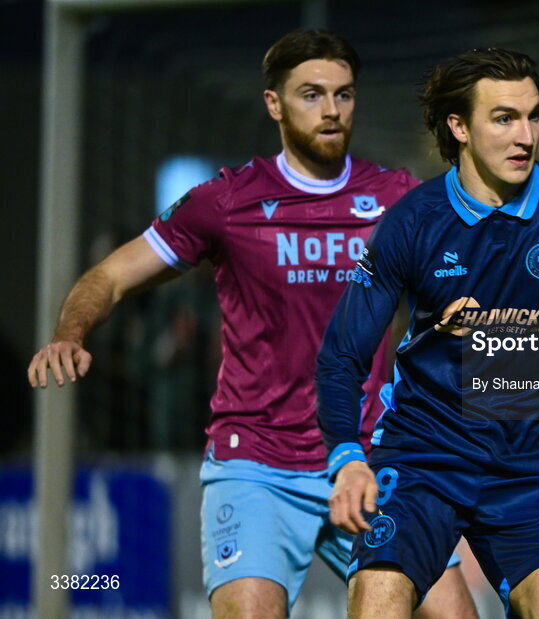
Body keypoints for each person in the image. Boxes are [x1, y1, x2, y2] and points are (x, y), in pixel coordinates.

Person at [26, 29, 476, 619]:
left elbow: (462, 282)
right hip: (257, 463)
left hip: (369, 459)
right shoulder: (227, 202)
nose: (331, 110)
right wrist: (70, 331)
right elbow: (109, 277)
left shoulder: (397, 198)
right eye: (311, 95)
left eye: (343, 95)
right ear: (274, 103)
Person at [316, 48, 539, 618]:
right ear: (460, 127)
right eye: (504, 118)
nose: (526, 135)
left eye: (533, 116)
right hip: (425, 456)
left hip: (532, 466)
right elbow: (341, 357)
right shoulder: (412, 221)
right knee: (377, 603)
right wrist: (348, 457)